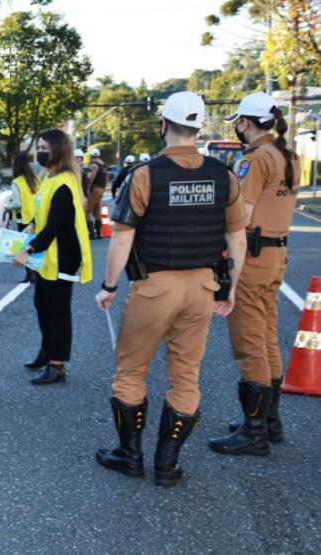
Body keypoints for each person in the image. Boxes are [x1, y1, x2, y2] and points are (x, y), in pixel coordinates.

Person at [94, 91, 247, 488]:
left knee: (131, 372)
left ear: (163, 124)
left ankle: (130, 455)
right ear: (198, 128)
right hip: (202, 285)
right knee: (186, 376)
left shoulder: (146, 175)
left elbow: (122, 240)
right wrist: (230, 288)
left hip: (154, 286)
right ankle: (167, 462)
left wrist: (109, 286)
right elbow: (237, 238)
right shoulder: (224, 175)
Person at [209, 93, 300, 456]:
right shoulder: (287, 155)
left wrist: (225, 262)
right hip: (276, 253)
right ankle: (269, 421)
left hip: (252, 253)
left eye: (239, 121)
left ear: (245, 122)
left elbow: (241, 215)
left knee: (249, 342)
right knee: (266, 336)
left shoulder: (254, 159)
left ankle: (254, 430)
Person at [13, 129, 93, 385]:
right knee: (43, 306)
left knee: (59, 312)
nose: (40, 152)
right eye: (39, 147)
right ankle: (47, 352)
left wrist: (28, 251)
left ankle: (57, 364)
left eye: (45, 148)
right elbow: (45, 216)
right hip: (48, 257)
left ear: (59, 149)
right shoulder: (49, 178)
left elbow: (55, 226)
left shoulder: (64, 182)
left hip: (62, 257)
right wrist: (32, 224)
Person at [10, 152, 41, 284]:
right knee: (36, 245)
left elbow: (17, 204)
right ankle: (38, 273)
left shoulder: (16, 182)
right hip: (37, 217)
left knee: (25, 247)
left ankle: (30, 275)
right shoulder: (35, 179)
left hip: (23, 218)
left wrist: (8, 205)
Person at [85, 147, 109, 239]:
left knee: (88, 209)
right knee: (97, 210)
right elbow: (107, 178)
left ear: (91, 156)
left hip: (95, 189)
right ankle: (98, 232)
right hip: (101, 189)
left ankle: (92, 233)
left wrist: (87, 187)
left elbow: (92, 177)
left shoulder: (94, 165)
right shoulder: (103, 165)